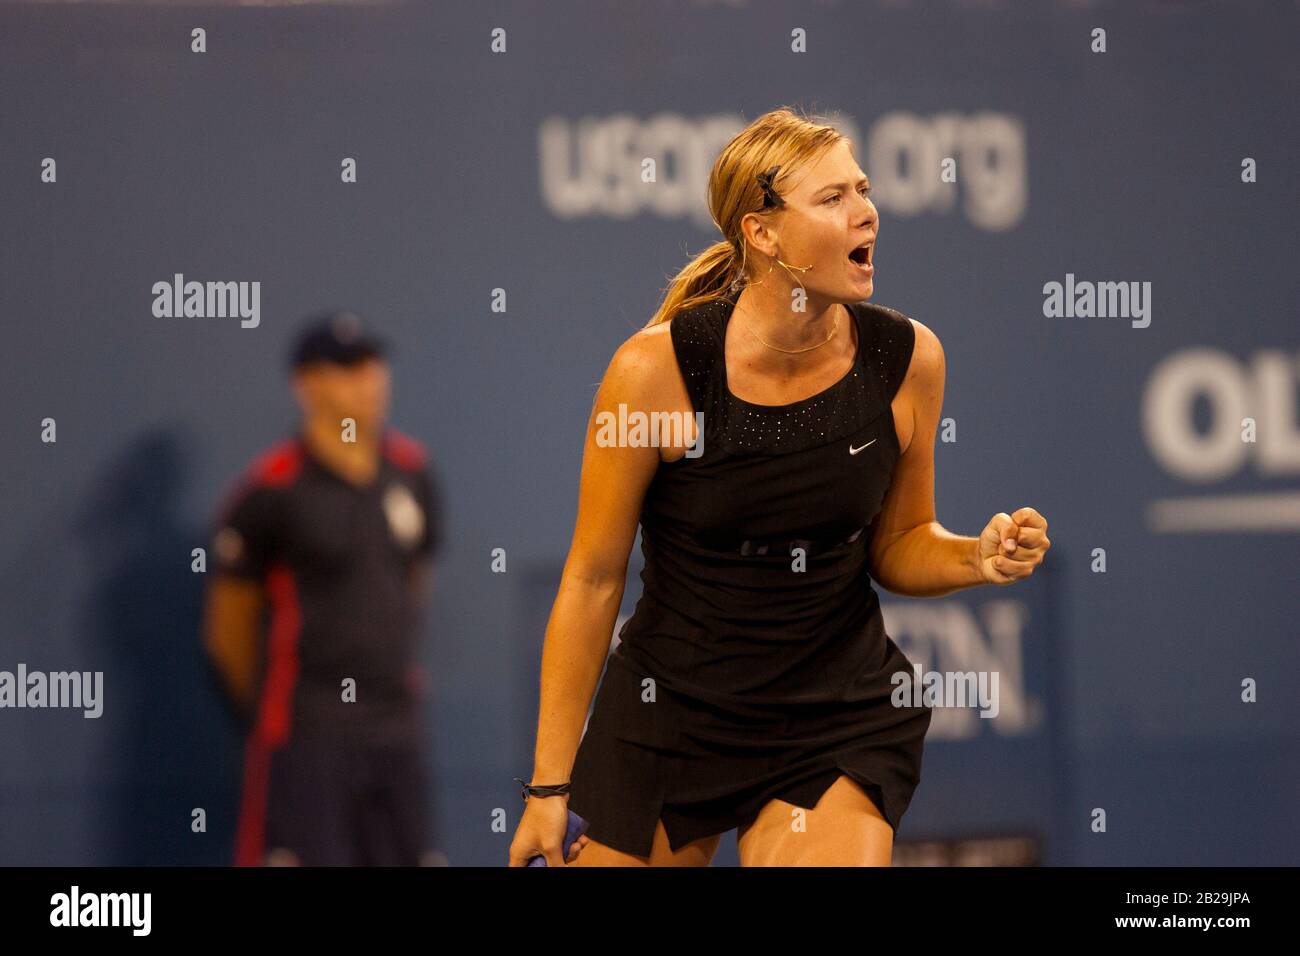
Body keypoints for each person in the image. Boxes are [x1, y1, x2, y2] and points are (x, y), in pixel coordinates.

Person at [508, 106, 1050, 867]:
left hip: (832, 718)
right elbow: (595, 578)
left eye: (863, 189)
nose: (868, 212)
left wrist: (975, 556)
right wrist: (546, 790)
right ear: (761, 233)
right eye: (832, 199)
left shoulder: (908, 359)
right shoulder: (653, 373)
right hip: (670, 714)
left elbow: (896, 544)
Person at [203, 310, 444, 866]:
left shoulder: (413, 472)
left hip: (395, 730)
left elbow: (413, 587)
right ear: (306, 384)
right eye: (348, 368)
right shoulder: (271, 489)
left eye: (374, 365)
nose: (371, 379)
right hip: (308, 733)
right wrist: (277, 708)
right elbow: (228, 628)